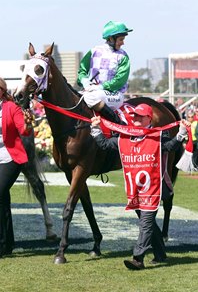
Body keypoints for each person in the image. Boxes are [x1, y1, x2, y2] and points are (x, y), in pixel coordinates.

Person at [90, 103, 190, 270]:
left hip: (156, 188)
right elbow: (106, 145)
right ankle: (160, 254)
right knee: (148, 223)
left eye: (140, 116)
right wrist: (95, 130)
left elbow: (170, 146)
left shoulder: (158, 135)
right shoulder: (126, 136)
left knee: (145, 222)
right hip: (136, 189)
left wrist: (180, 135)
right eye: (134, 115)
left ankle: (138, 258)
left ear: (149, 119)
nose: (135, 118)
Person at [0, 77, 33, 258]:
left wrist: (28, 123)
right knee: (2, 200)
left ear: (2, 91)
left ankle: (2, 244)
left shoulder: (11, 108)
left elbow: (24, 130)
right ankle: (7, 244)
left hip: (11, 158)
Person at [77, 20, 133, 123]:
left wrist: (101, 87)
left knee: (92, 97)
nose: (123, 43)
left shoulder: (123, 56)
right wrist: (85, 81)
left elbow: (120, 80)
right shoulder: (94, 51)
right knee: (75, 97)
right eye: (121, 39)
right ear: (111, 38)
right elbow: (82, 70)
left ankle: (119, 123)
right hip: (92, 91)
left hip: (114, 94)